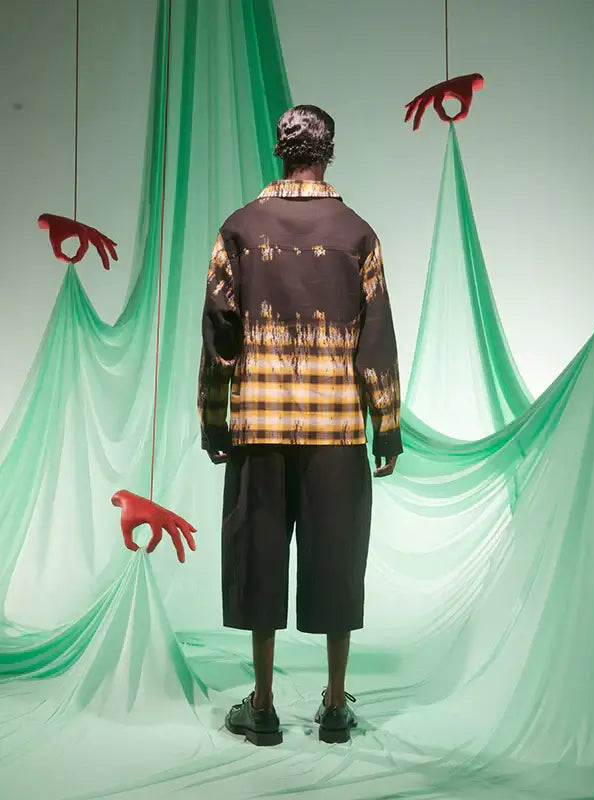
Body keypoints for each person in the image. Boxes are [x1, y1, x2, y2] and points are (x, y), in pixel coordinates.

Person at [198, 105, 402, 746]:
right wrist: (386, 424)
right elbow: (376, 337)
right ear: (329, 152)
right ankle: (335, 706)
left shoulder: (238, 229)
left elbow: (219, 332)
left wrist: (214, 417)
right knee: (337, 560)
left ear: (280, 152)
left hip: (258, 427)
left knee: (258, 560)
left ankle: (261, 707)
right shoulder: (358, 234)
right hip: (335, 431)